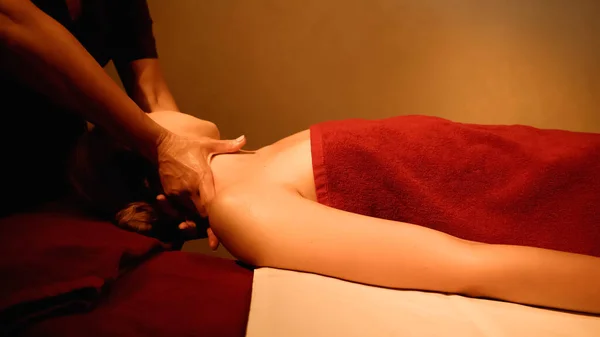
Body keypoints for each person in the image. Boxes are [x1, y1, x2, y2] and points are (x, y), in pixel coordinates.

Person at [70, 112, 600, 315]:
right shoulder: (243, 209)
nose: (153, 105)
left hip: (543, 165)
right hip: (549, 205)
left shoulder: (256, 167)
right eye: (140, 117)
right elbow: (467, 266)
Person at [0, 0, 243, 237]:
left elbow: (152, 95)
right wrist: (162, 144)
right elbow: (17, 26)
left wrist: (186, 187)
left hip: (66, 173)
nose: (155, 120)